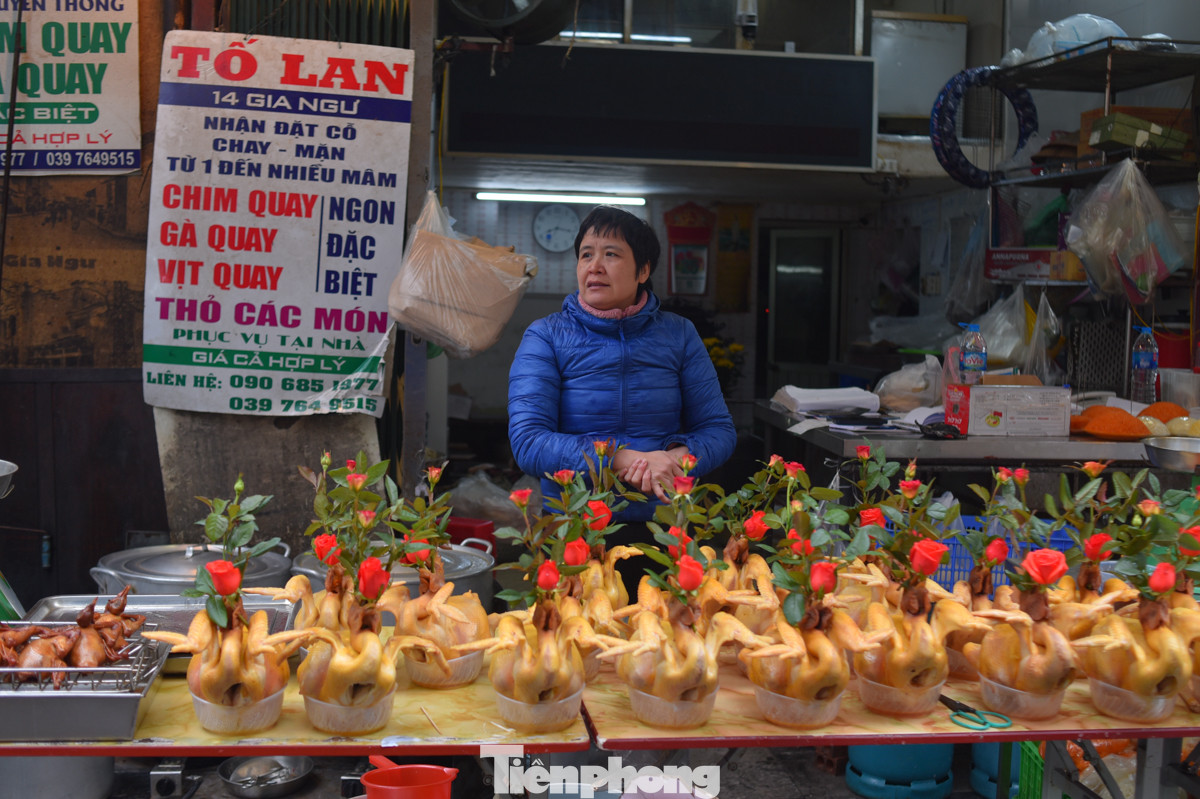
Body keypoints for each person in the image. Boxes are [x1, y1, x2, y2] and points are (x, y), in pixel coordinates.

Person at [507, 205, 736, 587]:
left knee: (661, 638)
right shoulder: (545, 336)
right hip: (576, 529)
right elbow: (529, 442)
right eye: (586, 254)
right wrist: (617, 457)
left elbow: (719, 430)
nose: (594, 266)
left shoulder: (679, 335)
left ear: (643, 271)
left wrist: (675, 460)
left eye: (611, 254)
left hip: (665, 527)